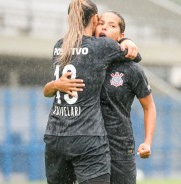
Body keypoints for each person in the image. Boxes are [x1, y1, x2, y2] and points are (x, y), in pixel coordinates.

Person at [43, 0, 141, 184]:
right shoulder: (101, 46)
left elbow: (49, 89)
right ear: (95, 19)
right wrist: (125, 39)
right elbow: (134, 54)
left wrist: (54, 85)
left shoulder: (59, 45)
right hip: (86, 136)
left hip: (55, 135)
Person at [95, 11, 156, 184]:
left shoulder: (131, 69)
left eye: (112, 25)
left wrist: (148, 142)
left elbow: (149, 106)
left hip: (120, 148)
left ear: (121, 35)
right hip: (89, 146)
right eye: (101, 23)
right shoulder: (85, 61)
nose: (105, 27)